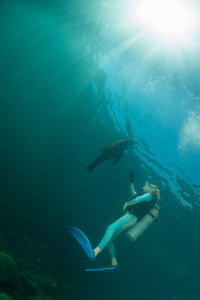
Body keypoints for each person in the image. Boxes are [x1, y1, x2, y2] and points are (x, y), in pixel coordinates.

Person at [92, 171, 160, 267]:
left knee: (110, 228)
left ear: (151, 188)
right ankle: (114, 262)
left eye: (147, 184)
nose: (145, 184)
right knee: (110, 239)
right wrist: (131, 179)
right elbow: (133, 192)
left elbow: (136, 200)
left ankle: (95, 251)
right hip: (132, 218)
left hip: (131, 216)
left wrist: (127, 204)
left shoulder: (149, 195)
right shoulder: (147, 198)